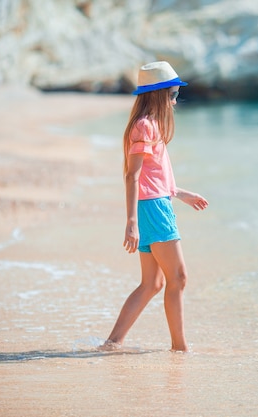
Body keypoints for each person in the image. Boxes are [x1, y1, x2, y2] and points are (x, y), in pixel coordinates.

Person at [101, 61, 208, 352]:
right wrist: (131, 221)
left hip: (156, 203)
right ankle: (180, 348)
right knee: (179, 278)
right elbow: (132, 175)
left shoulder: (152, 126)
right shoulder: (145, 126)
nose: (175, 99)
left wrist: (181, 194)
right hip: (151, 209)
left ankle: (112, 343)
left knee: (153, 283)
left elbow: (152, 176)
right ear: (159, 94)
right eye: (172, 93)